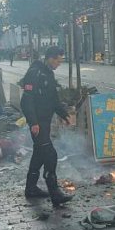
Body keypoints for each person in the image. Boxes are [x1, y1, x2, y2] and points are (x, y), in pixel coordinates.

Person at [20, 46, 73, 207]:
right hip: (38, 123)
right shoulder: (35, 73)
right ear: (50, 58)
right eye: (58, 60)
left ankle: (31, 188)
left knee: (39, 154)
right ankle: (54, 192)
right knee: (50, 154)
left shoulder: (48, 73)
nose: (59, 63)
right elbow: (26, 100)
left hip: (45, 121)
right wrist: (33, 122)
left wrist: (64, 115)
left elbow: (53, 100)